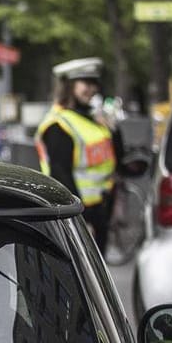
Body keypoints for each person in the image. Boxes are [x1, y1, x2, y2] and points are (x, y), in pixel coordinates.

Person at [37, 57, 121, 256]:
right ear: (69, 86)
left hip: (101, 211)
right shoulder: (58, 126)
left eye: (94, 84)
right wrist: (79, 220)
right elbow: (61, 175)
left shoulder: (92, 119)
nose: (92, 89)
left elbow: (115, 159)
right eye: (86, 83)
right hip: (80, 215)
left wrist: (114, 130)